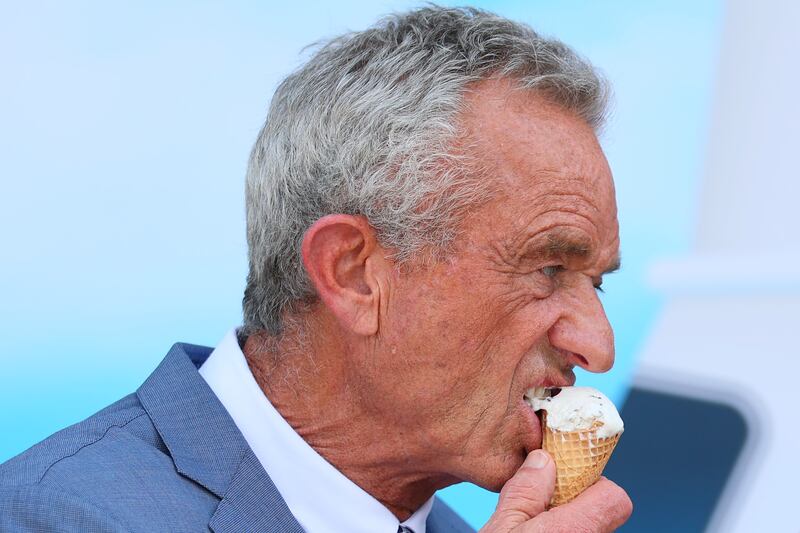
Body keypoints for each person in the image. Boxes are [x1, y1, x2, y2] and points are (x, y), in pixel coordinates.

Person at [0, 6, 632, 532]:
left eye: (597, 282)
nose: (599, 347)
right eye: (549, 269)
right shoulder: (54, 515)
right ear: (353, 274)